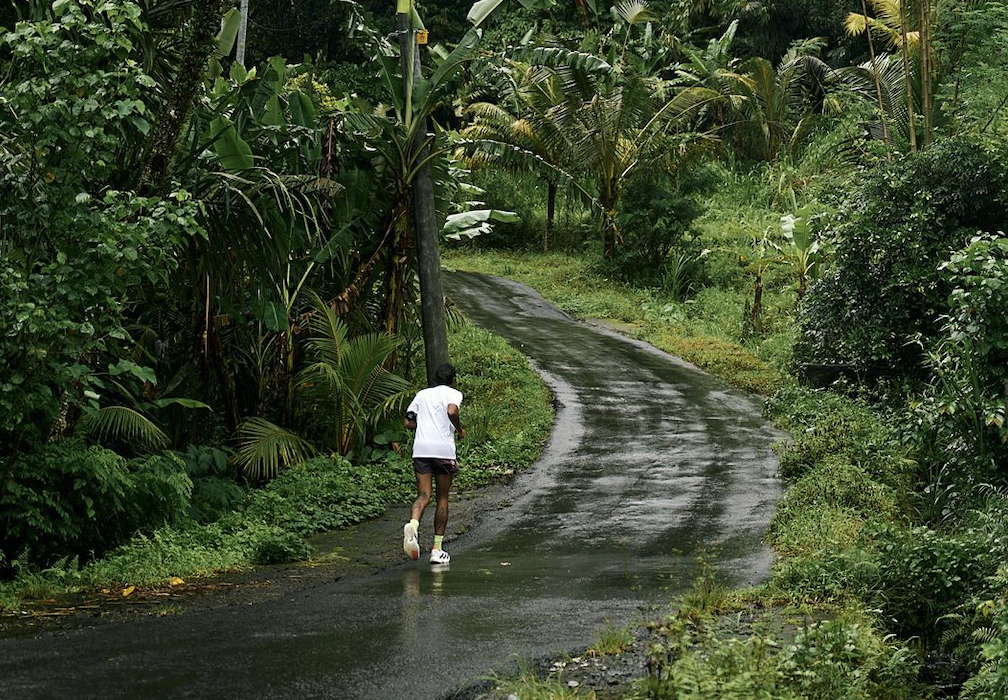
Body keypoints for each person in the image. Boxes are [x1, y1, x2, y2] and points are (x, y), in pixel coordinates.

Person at [402, 362, 465, 565]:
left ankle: (413, 524)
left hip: (421, 450)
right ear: (453, 379)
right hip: (443, 451)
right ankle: (437, 549)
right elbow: (452, 411)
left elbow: (408, 421)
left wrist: (425, 424)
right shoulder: (454, 394)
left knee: (424, 495)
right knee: (443, 498)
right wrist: (460, 429)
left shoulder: (421, 395)